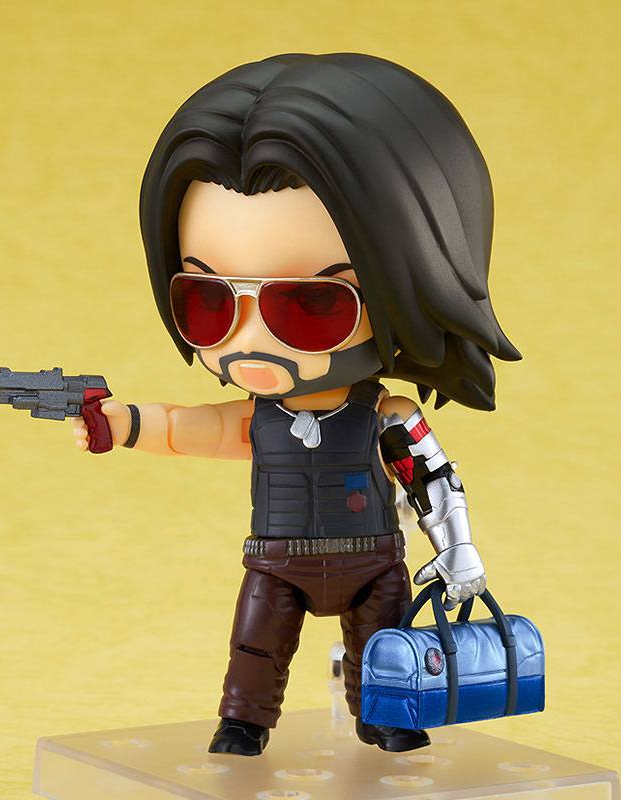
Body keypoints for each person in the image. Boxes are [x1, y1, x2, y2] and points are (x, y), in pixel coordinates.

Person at [72, 53, 520, 756]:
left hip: (373, 560)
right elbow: (187, 428)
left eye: (311, 305)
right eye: (210, 301)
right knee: (255, 652)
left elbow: (433, 479)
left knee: (385, 656)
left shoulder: (385, 417)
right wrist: (118, 423)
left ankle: (386, 719)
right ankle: (243, 724)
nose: (251, 338)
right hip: (276, 562)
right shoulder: (260, 419)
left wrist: (459, 550)